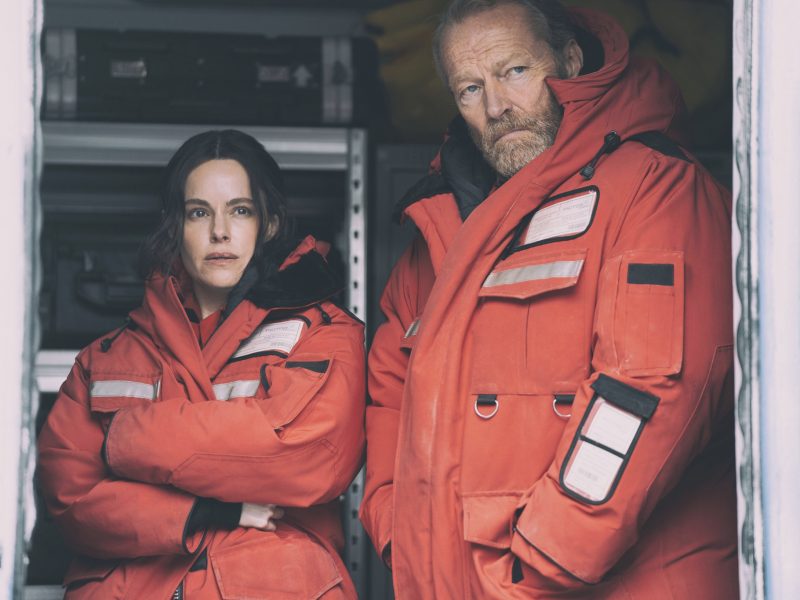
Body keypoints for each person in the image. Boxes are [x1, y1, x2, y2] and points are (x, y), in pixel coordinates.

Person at [360, 1, 737, 598]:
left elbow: (648, 394)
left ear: (570, 61)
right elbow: (388, 399)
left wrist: (536, 565)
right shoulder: (439, 230)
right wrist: (399, 534)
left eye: (514, 71)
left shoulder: (656, 188)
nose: (496, 106)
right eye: (470, 88)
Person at [37, 129, 365, 599]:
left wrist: (130, 439)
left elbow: (306, 458)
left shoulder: (322, 335)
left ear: (270, 224)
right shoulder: (104, 360)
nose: (220, 231)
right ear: (175, 226)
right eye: (199, 212)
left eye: (240, 210)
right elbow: (72, 501)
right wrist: (209, 512)